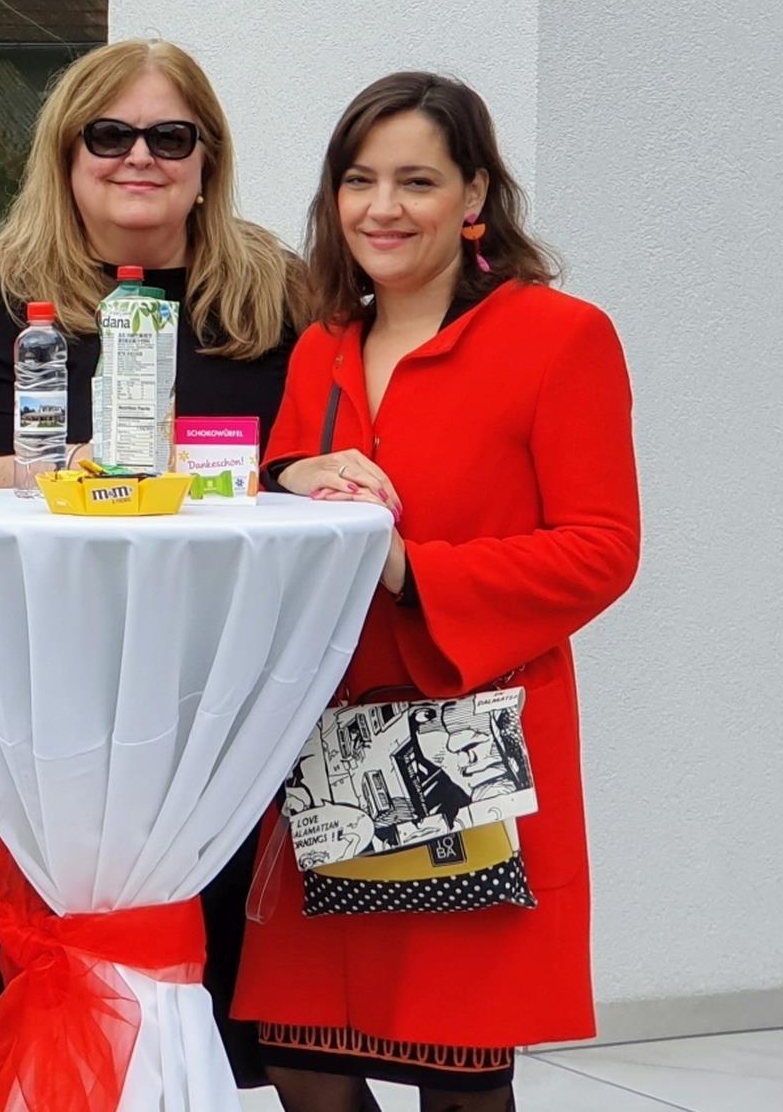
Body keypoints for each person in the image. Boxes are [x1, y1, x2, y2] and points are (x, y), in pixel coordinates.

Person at [0, 37, 309, 1086]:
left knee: (225, 997)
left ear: (207, 158)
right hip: (55, 701)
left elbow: (314, 455)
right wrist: (70, 471)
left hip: (223, 704)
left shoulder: (274, 293)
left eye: (170, 136)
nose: (140, 156)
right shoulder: (4, 295)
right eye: (110, 134)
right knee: (65, 1007)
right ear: (66, 154)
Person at [244, 72, 640, 1112]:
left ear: (474, 196)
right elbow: (286, 496)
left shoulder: (560, 337)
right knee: (303, 1062)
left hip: (471, 758)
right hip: (329, 756)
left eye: (415, 181)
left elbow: (602, 550)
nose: (382, 206)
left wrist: (409, 566)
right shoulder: (323, 345)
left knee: (459, 1079)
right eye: (358, 179)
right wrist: (290, 474)